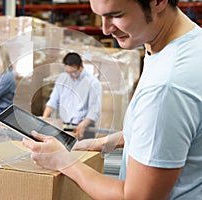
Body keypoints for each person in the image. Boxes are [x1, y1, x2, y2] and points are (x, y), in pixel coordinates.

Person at [22, 0, 202, 199]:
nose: (105, 29)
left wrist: (64, 162)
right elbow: (167, 135)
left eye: (116, 15)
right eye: (100, 15)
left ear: (158, 2)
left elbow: (135, 197)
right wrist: (102, 142)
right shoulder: (184, 44)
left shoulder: (166, 87)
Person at [42, 52, 102, 140]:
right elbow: (52, 102)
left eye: (73, 72)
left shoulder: (93, 83)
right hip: (65, 127)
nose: (71, 75)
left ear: (81, 66)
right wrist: (44, 120)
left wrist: (83, 125)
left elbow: (94, 111)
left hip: (84, 128)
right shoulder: (62, 78)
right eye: (68, 72)